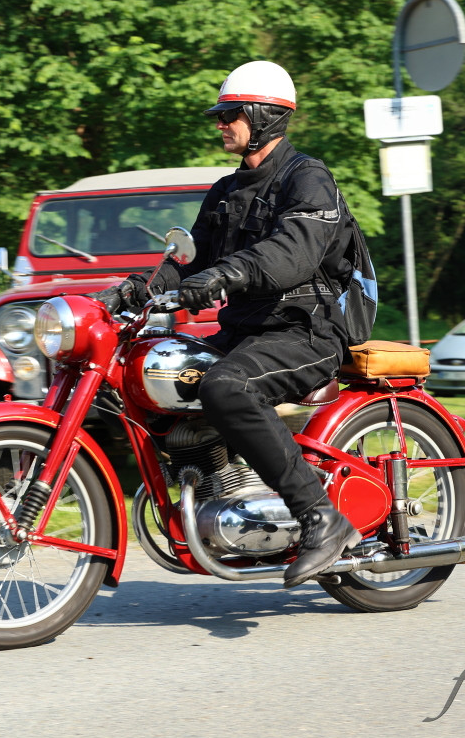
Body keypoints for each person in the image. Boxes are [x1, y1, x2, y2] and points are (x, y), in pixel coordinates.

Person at [92, 60, 370, 588]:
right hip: (245, 332)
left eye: (230, 114)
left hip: (305, 331)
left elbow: (291, 253)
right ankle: (217, 488)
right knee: (160, 377)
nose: (221, 123)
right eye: (219, 115)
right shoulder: (224, 191)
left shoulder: (308, 179)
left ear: (266, 116)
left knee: (226, 386)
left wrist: (228, 273)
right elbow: (189, 260)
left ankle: (320, 515)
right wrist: (135, 289)